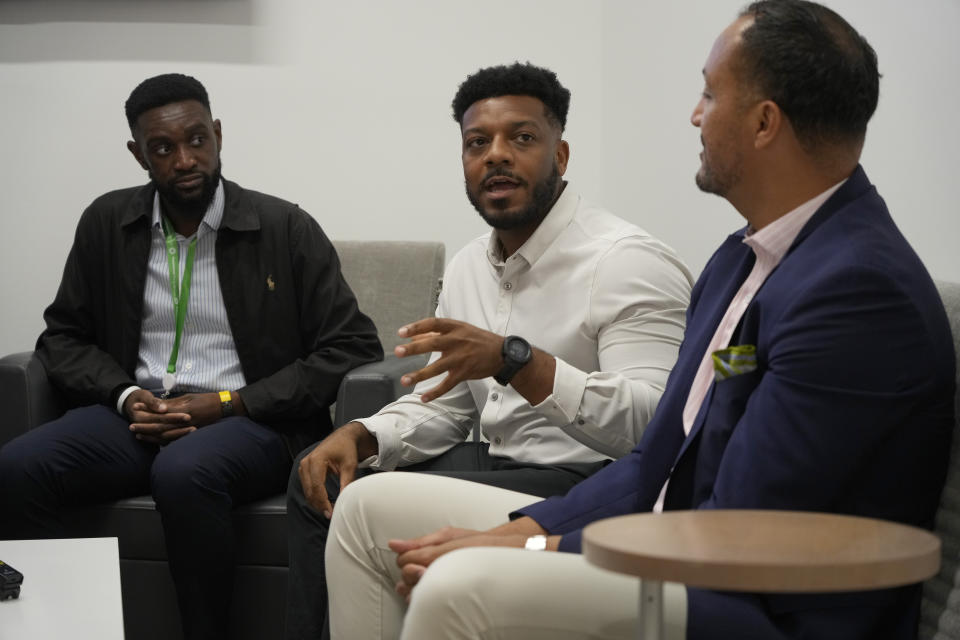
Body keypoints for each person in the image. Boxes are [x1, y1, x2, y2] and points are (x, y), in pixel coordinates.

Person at [324, 2, 956, 639]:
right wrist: (529, 528)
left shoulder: (855, 291)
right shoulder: (741, 259)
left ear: (764, 122)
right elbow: (663, 456)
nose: (694, 113)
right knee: (366, 508)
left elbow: (738, 525)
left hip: (765, 605)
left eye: (710, 92)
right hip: (675, 537)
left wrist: (530, 550)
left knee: (461, 587)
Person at [285, 62, 694, 638]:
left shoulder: (627, 261)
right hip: (499, 464)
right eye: (478, 142)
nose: (496, 155)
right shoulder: (469, 265)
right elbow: (448, 406)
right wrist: (365, 434)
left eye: (522, 138)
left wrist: (518, 361)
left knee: (364, 504)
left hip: (589, 483)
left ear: (562, 154)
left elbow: (657, 427)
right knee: (323, 477)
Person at [0, 73, 383, 640]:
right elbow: (63, 336)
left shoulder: (284, 227)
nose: (184, 159)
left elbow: (352, 346)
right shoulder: (108, 224)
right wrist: (126, 395)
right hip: (138, 414)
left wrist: (228, 403)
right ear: (138, 155)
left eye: (197, 140)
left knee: (185, 472)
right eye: (163, 148)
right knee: (17, 467)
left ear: (219, 135)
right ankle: (61, 629)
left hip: (254, 421)